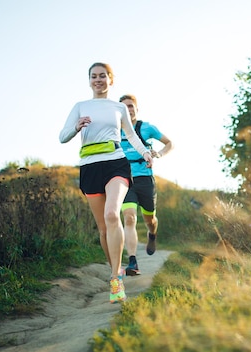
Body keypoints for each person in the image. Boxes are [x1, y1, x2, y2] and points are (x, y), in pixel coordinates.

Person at [59, 63, 153, 304]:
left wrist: (145, 154)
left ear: (111, 80)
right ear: (89, 80)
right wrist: (76, 127)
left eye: (103, 76)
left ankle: (115, 279)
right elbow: (62, 137)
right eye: (94, 76)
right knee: (103, 228)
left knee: (113, 214)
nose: (98, 80)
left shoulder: (118, 107)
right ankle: (117, 268)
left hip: (115, 163)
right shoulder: (80, 106)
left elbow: (131, 135)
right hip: (90, 166)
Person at [118, 94, 174, 275]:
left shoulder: (147, 128)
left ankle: (152, 234)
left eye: (131, 106)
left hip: (145, 179)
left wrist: (159, 154)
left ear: (136, 108)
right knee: (129, 217)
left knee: (150, 219)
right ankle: (133, 261)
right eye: (124, 107)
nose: (128, 109)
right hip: (124, 180)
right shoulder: (115, 130)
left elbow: (169, 143)